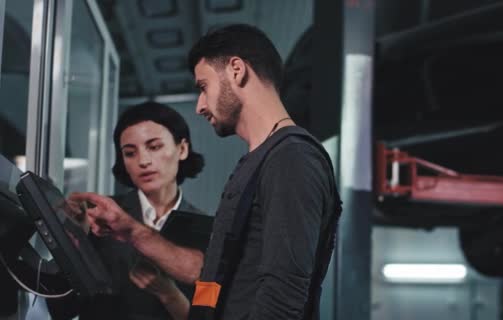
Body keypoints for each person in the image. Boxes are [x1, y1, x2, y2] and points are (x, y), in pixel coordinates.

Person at [70, 24, 341, 320]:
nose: (200, 106)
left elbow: (283, 297)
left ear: (236, 70)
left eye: (203, 86)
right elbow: (220, 279)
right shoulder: (258, 162)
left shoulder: (291, 158)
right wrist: (132, 231)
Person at [48, 102, 207, 320]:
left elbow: (209, 315)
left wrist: (169, 294)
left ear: (182, 149)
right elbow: (61, 310)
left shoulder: (207, 230)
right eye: (130, 153)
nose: (143, 161)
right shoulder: (98, 218)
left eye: (154, 147)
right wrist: (72, 243)